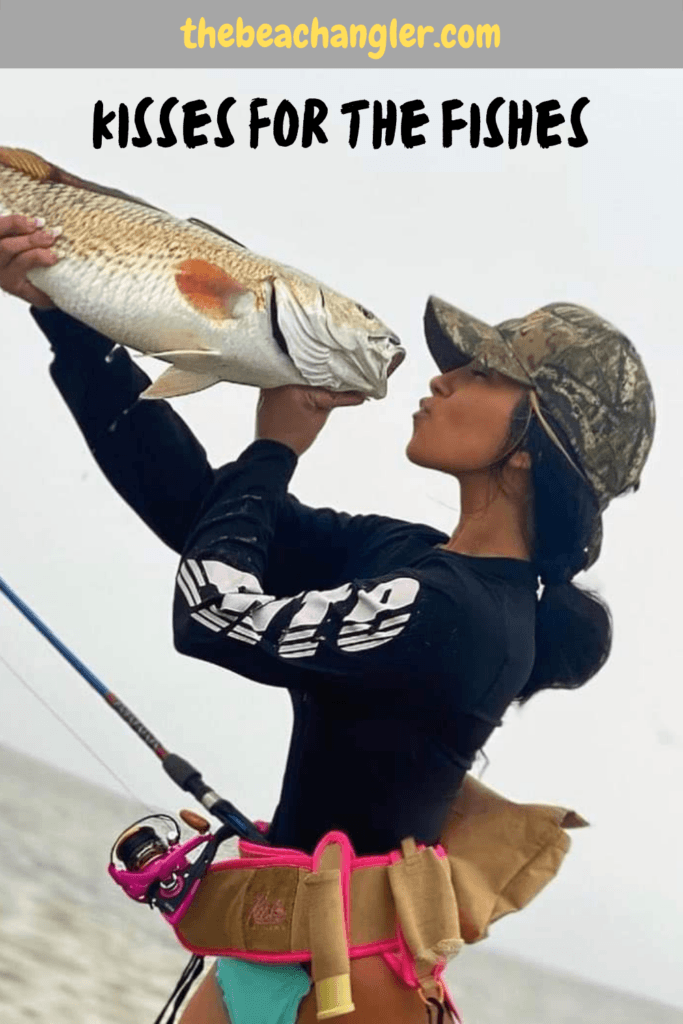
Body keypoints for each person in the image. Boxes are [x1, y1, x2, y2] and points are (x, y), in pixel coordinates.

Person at [0, 215, 655, 1024]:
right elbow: (198, 511)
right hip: (275, 953)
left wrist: (275, 448)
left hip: (350, 991)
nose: (443, 379)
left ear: (532, 444)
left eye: (484, 375)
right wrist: (63, 314)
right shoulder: (416, 562)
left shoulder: (457, 613)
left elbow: (210, 611)